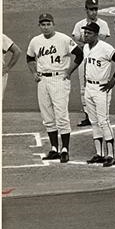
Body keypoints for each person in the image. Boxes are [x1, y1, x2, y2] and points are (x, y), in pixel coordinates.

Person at [26, 13, 83, 163]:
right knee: (47, 116)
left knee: (61, 115)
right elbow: (30, 58)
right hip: (43, 80)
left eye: (48, 24)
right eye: (43, 24)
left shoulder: (63, 39)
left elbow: (79, 54)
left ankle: (65, 149)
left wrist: (69, 71)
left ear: (53, 24)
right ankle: (54, 149)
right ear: (39, 26)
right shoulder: (35, 41)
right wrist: (34, 73)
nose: (45, 27)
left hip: (59, 79)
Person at [81, 22, 115, 167]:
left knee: (103, 121)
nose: (86, 35)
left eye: (89, 33)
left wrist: (113, 81)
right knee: (94, 121)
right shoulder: (86, 47)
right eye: (85, 32)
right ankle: (99, 154)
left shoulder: (105, 48)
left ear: (96, 34)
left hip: (102, 88)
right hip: (89, 88)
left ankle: (111, 155)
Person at [72, 0, 111, 127]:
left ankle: (100, 115)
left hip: (99, 61)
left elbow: (100, 41)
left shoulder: (103, 24)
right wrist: (86, 42)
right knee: (84, 87)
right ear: (86, 10)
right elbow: (75, 43)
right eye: (91, 9)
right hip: (84, 60)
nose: (94, 12)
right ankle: (88, 115)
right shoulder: (79, 25)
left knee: (98, 85)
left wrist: (84, 42)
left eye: (95, 9)